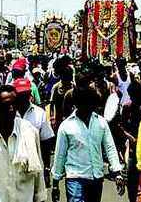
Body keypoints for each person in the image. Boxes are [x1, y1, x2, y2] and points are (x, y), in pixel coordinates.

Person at [51, 73, 124, 202]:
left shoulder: (101, 123)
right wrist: (56, 182)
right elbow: (60, 155)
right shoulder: (66, 126)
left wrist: (117, 173)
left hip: (96, 177)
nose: (88, 108)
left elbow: (110, 147)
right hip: (75, 178)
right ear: (77, 104)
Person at [0, 85, 46, 202]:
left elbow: (38, 174)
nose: (11, 109)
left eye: (14, 104)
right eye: (6, 105)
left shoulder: (29, 132)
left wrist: (41, 198)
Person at [13, 78, 56, 188]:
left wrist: (47, 168)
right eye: (20, 94)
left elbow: (46, 142)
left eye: (25, 94)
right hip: (13, 166)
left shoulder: (39, 114)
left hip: (34, 166)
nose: (22, 97)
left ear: (29, 94)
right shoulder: (9, 114)